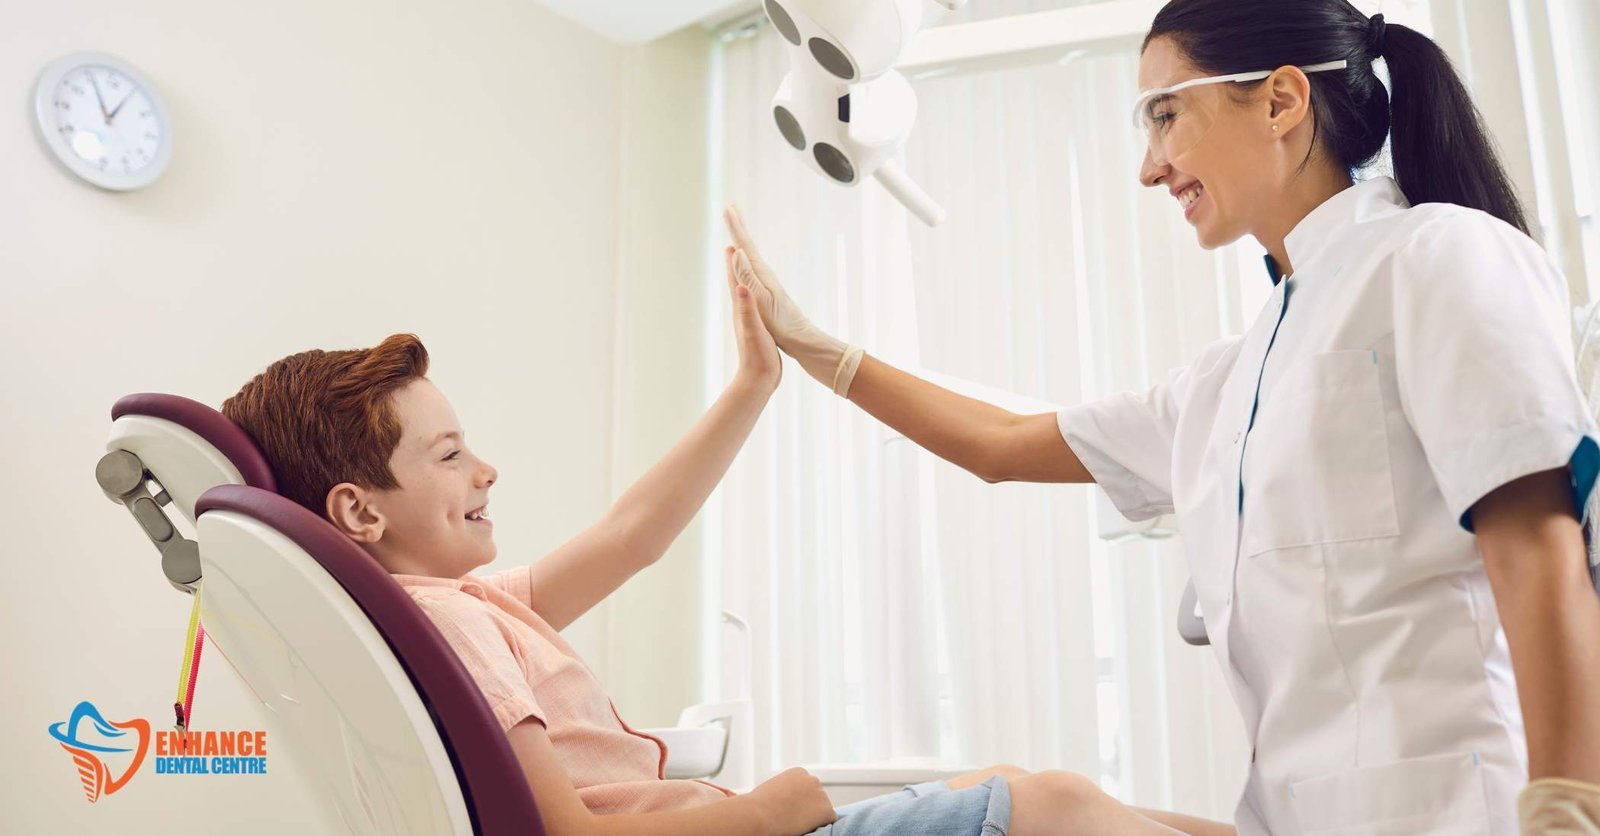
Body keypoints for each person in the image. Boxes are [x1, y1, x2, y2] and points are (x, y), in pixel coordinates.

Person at [723, 0, 1600, 833]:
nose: (1149, 165)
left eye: (1165, 114)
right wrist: (821, 353)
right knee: (1028, 799)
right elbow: (1001, 443)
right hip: (1302, 819)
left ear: (1282, 99)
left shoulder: (1442, 256)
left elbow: (1538, 546)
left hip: (1467, 810)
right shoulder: (1232, 378)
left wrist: (1569, 809)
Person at [217, 250, 1230, 835]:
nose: (485, 469)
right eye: (448, 454)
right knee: (1047, 803)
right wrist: (778, 803)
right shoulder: (447, 622)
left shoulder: (455, 608)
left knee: (1048, 792)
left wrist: (752, 382)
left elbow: (632, 535)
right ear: (359, 509)